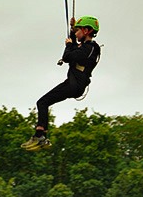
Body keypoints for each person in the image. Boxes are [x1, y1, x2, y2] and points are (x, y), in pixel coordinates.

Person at [21, 16, 101, 151]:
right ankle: (41, 136)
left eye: (78, 30)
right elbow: (76, 49)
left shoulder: (92, 48)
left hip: (74, 85)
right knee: (43, 102)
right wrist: (72, 30)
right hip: (73, 83)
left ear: (87, 31)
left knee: (42, 102)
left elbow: (69, 56)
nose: (76, 33)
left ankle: (40, 136)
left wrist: (69, 45)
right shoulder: (86, 47)